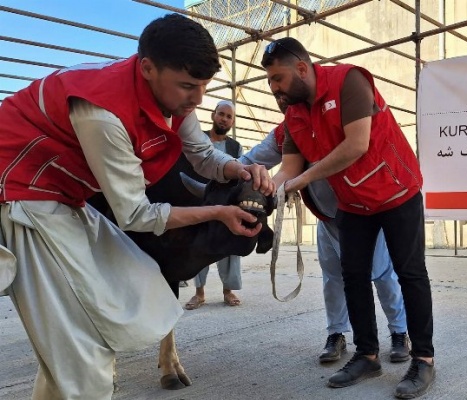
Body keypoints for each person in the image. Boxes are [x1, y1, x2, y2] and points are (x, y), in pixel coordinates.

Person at [0, 14, 273, 399]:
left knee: (139, 280)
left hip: (65, 197)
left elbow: (201, 155)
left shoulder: (175, 102)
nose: (197, 100)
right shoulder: (103, 113)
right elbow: (135, 214)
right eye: (187, 87)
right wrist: (217, 213)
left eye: (203, 88)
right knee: (82, 348)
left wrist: (241, 170)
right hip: (20, 196)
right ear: (147, 68)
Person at [261, 37, 434, 399]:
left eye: (277, 78)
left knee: (410, 273)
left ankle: (423, 359)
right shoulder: (292, 116)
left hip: (395, 191)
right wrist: (267, 188)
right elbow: (288, 169)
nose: (273, 87)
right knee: (353, 275)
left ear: (302, 69)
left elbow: (356, 144)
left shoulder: (348, 81)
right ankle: (367, 355)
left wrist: (303, 180)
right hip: (354, 202)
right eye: (270, 81)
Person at [240, 95, 411, 364]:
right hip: (326, 217)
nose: (282, 98)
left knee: (381, 274)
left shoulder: (337, 119)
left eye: (285, 90)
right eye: (276, 93)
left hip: (364, 213)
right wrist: (223, 171)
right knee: (333, 277)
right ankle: (337, 334)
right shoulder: (285, 132)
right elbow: (250, 159)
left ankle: (399, 332)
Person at [185, 100, 244, 309]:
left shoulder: (235, 147)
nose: (224, 119)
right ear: (213, 115)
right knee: (198, 244)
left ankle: (228, 291)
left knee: (229, 246)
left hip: (225, 202)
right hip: (199, 201)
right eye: (221, 114)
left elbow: (239, 176)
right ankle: (199, 293)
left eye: (229, 117)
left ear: (232, 122)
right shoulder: (197, 140)